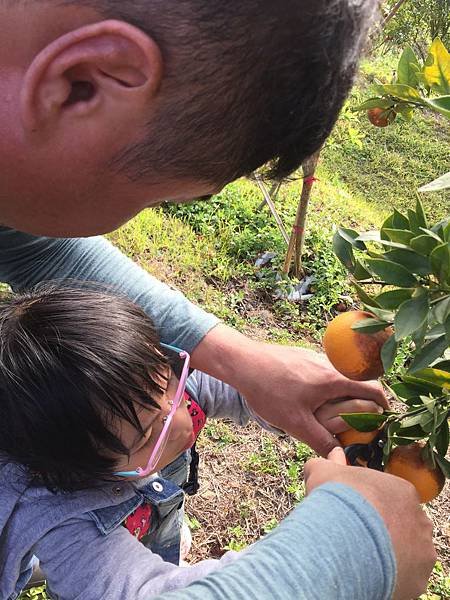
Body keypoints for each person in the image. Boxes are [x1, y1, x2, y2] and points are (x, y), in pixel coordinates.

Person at [0, 1, 436, 598]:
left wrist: (247, 364)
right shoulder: (68, 519)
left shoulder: (153, 390)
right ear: (84, 85)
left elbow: (31, 249)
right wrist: (347, 547)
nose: (179, 413)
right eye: (156, 200)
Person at [0, 284, 435, 600]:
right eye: (149, 434)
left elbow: (234, 391)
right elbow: (146, 591)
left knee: (165, 536)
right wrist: (321, 541)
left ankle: (166, 540)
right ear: (83, 471)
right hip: (103, 552)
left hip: (154, 515)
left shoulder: (148, 397)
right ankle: (40, 569)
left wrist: (313, 412)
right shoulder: (67, 528)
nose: (179, 418)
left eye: (169, 378)